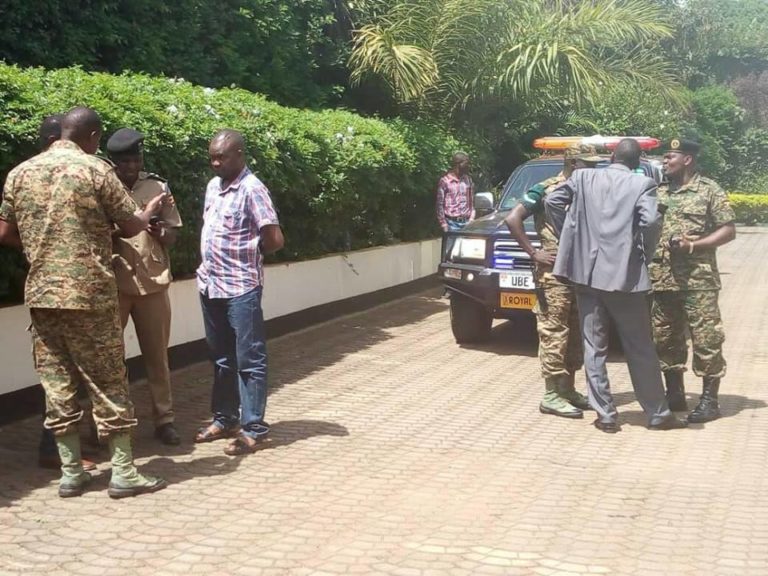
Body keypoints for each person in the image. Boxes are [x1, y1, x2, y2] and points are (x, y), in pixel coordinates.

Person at [0, 106, 168, 498]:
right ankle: (124, 472)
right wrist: (144, 217)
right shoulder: (95, 171)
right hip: (89, 294)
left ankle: (71, 471)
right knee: (109, 379)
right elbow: (129, 226)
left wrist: (46, 244)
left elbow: (5, 232)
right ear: (92, 138)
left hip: (42, 294)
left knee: (57, 382)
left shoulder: (20, 173)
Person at [544, 138, 687, 433]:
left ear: (612, 157)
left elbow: (551, 202)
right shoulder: (641, 185)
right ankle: (658, 414)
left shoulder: (583, 177)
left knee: (593, 347)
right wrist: (643, 256)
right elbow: (649, 223)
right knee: (639, 347)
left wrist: (572, 237)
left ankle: (606, 415)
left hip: (586, 275)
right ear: (636, 163)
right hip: (625, 278)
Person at [194, 129, 284, 455]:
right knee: (221, 358)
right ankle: (225, 418)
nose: (215, 163)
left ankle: (254, 428)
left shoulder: (252, 189)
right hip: (211, 285)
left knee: (250, 360)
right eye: (212, 158)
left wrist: (246, 254)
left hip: (241, 288)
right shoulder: (212, 187)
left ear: (240, 155)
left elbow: (274, 240)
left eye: (222, 157)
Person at [505, 144, 600, 419]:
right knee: (554, 332)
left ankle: (567, 389)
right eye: (588, 164)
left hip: (579, 272)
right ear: (573, 163)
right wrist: (534, 252)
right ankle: (550, 395)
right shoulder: (545, 189)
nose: (593, 169)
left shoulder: (589, 190)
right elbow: (514, 219)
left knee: (573, 332)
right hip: (553, 276)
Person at [650, 138, 736, 423]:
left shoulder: (709, 190)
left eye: (670, 156)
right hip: (663, 278)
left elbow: (728, 230)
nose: (665, 161)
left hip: (698, 280)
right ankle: (674, 394)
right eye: (664, 157)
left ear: (687, 159)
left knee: (706, 339)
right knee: (665, 337)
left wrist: (693, 246)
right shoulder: (659, 192)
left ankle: (710, 401)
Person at [107, 128, 183, 446]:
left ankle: (164, 419)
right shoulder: (102, 185)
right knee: (110, 359)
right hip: (115, 283)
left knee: (157, 356)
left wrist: (160, 231)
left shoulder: (158, 186)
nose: (131, 167)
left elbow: (174, 233)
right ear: (113, 162)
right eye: (125, 162)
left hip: (152, 282)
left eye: (136, 160)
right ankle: (115, 423)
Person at [32, 114, 100, 471]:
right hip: (71, 291)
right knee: (66, 373)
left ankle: (64, 447)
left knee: (59, 372)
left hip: (43, 288)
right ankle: (58, 450)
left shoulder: (24, 174)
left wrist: (38, 251)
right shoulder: (76, 172)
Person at [436, 152, 474, 232]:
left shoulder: (468, 180)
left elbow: (471, 202)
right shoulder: (445, 181)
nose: (468, 166)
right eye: (466, 163)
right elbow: (439, 204)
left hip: (467, 223)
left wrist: (471, 219)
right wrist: (443, 224)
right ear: (458, 164)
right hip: (451, 224)